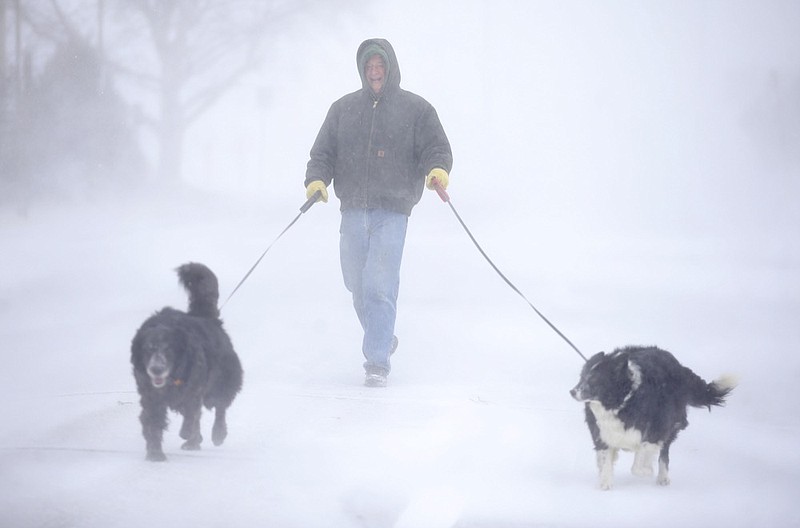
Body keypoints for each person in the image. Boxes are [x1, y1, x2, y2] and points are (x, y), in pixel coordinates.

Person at [304, 38, 453, 388]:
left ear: (390, 68)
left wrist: (437, 170)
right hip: (353, 209)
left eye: (380, 66)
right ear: (362, 70)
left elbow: (436, 148)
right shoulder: (342, 109)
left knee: (380, 287)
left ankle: (377, 362)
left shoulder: (417, 110)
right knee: (356, 285)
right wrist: (316, 181)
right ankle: (383, 337)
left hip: (393, 210)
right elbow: (323, 153)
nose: (375, 72)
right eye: (369, 67)